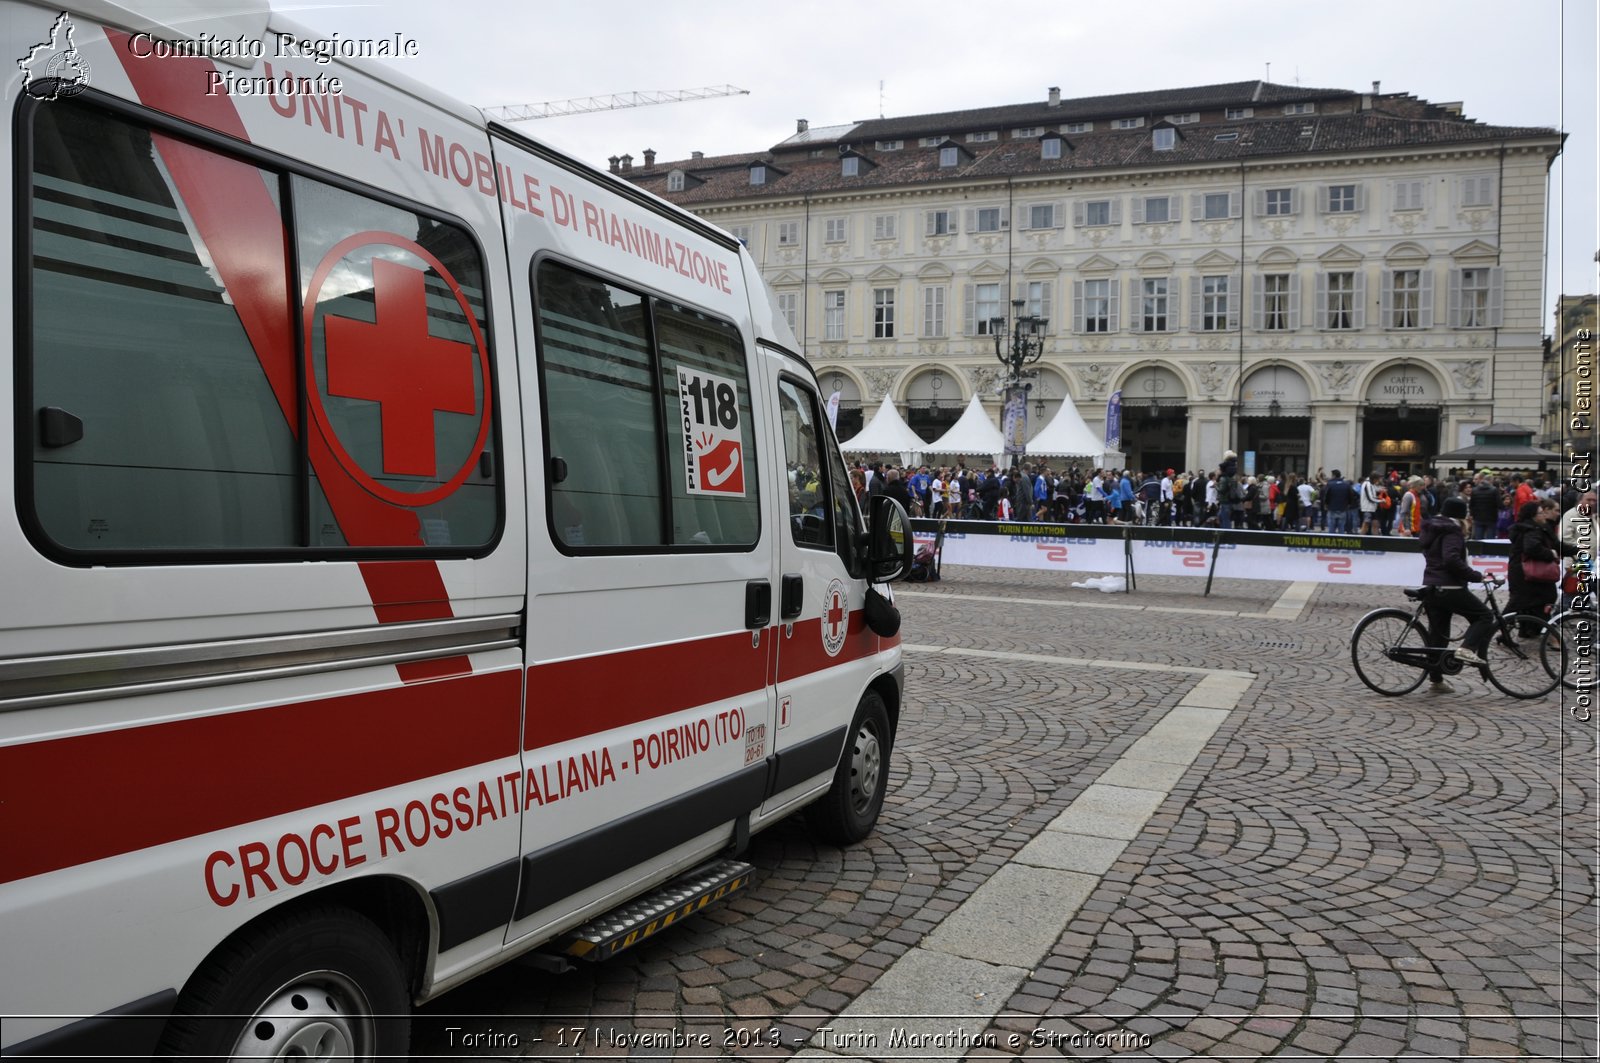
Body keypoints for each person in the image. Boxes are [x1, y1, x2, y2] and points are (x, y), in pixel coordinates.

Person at [1418, 496, 1494, 692]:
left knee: (1438, 637)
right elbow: (1451, 560)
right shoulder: (1452, 531)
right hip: (1450, 587)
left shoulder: (1433, 529)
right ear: (1460, 517)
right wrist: (1476, 576)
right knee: (1485, 616)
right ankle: (1467, 649)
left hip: (1433, 586)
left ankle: (1436, 681)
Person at [1507, 498, 1575, 635]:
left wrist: (1575, 550)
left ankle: (1528, 630)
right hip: (1524, 572)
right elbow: (1532, 548)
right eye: (1540, 513)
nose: (1542, 515)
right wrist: (1551, 554)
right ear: (1533, 516)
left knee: (1529, 601)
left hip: (1524, 572)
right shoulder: (1531, 529)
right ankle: (1503, 628)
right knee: (1523, 602)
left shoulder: (1537, 527)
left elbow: (1557, 545)